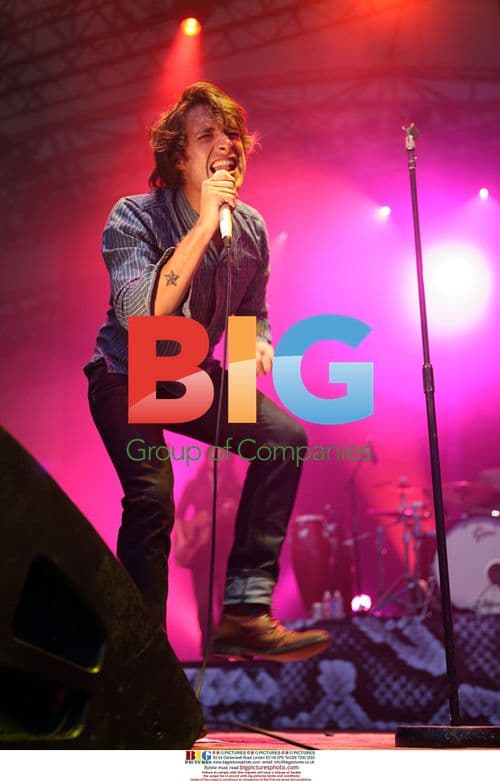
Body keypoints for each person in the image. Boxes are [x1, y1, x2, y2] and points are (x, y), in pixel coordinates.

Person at [84, 82, 330, 662]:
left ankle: (244, 612)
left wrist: (258, 345)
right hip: (127, 370)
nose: (225, 144)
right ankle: (143, 658)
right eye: (206, 136)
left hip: (192, 373)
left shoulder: (251, 229)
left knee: (285, 439)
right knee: (152, 497)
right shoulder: (133, 216)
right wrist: (203, 222)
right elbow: (145, 314)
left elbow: (251, 314)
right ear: (178, 158)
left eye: (230, 135)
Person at [174, 452, 240, 654]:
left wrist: (225, 515)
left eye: (221, 453)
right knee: (203, 603)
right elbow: (178, 516)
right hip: (199, 555)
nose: (216, 456)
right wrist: (183, 540)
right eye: (212, 452)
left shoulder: (234, 488)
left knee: (224, 600)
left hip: (225, 550)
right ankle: (207, 648)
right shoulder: (194, 485)